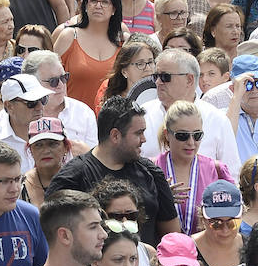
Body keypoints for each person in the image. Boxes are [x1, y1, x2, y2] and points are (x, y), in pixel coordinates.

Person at [48, 97, 179, 246]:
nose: (144, 139)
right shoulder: (72, 178)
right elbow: (55, 238)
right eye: (138, 133)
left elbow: (173, 237)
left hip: (147, 259)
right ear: (115, 135)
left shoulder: (151, 172)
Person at [139, 49, 241, 178]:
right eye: (156, 76)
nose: (158, 82)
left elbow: (232, 174)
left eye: (165, 77)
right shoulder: (142, 115)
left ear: (189, 79)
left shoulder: (217, 120)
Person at [154, 101, 234, 235]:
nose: (191, 142)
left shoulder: (217, 170)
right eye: (182, 136)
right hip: (162, 246)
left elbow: (234, 216)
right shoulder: (151, 169)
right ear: (167, 134)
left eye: (197, 135)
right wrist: (160, 199)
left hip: (206, 247)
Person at [54, 0, 123, 111]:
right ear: (85, 5)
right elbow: (49, 80)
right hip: (72, 118)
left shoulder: (123, 41)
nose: (98, 5)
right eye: (93, 0)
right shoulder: (68, 36)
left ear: (114, 9)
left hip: (111, 120)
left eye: (105, 2)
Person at [0, 74, 52, 173]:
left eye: (43, 99)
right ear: (9, 106)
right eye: (31, 103)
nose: (40, 107)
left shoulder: (55, 134)